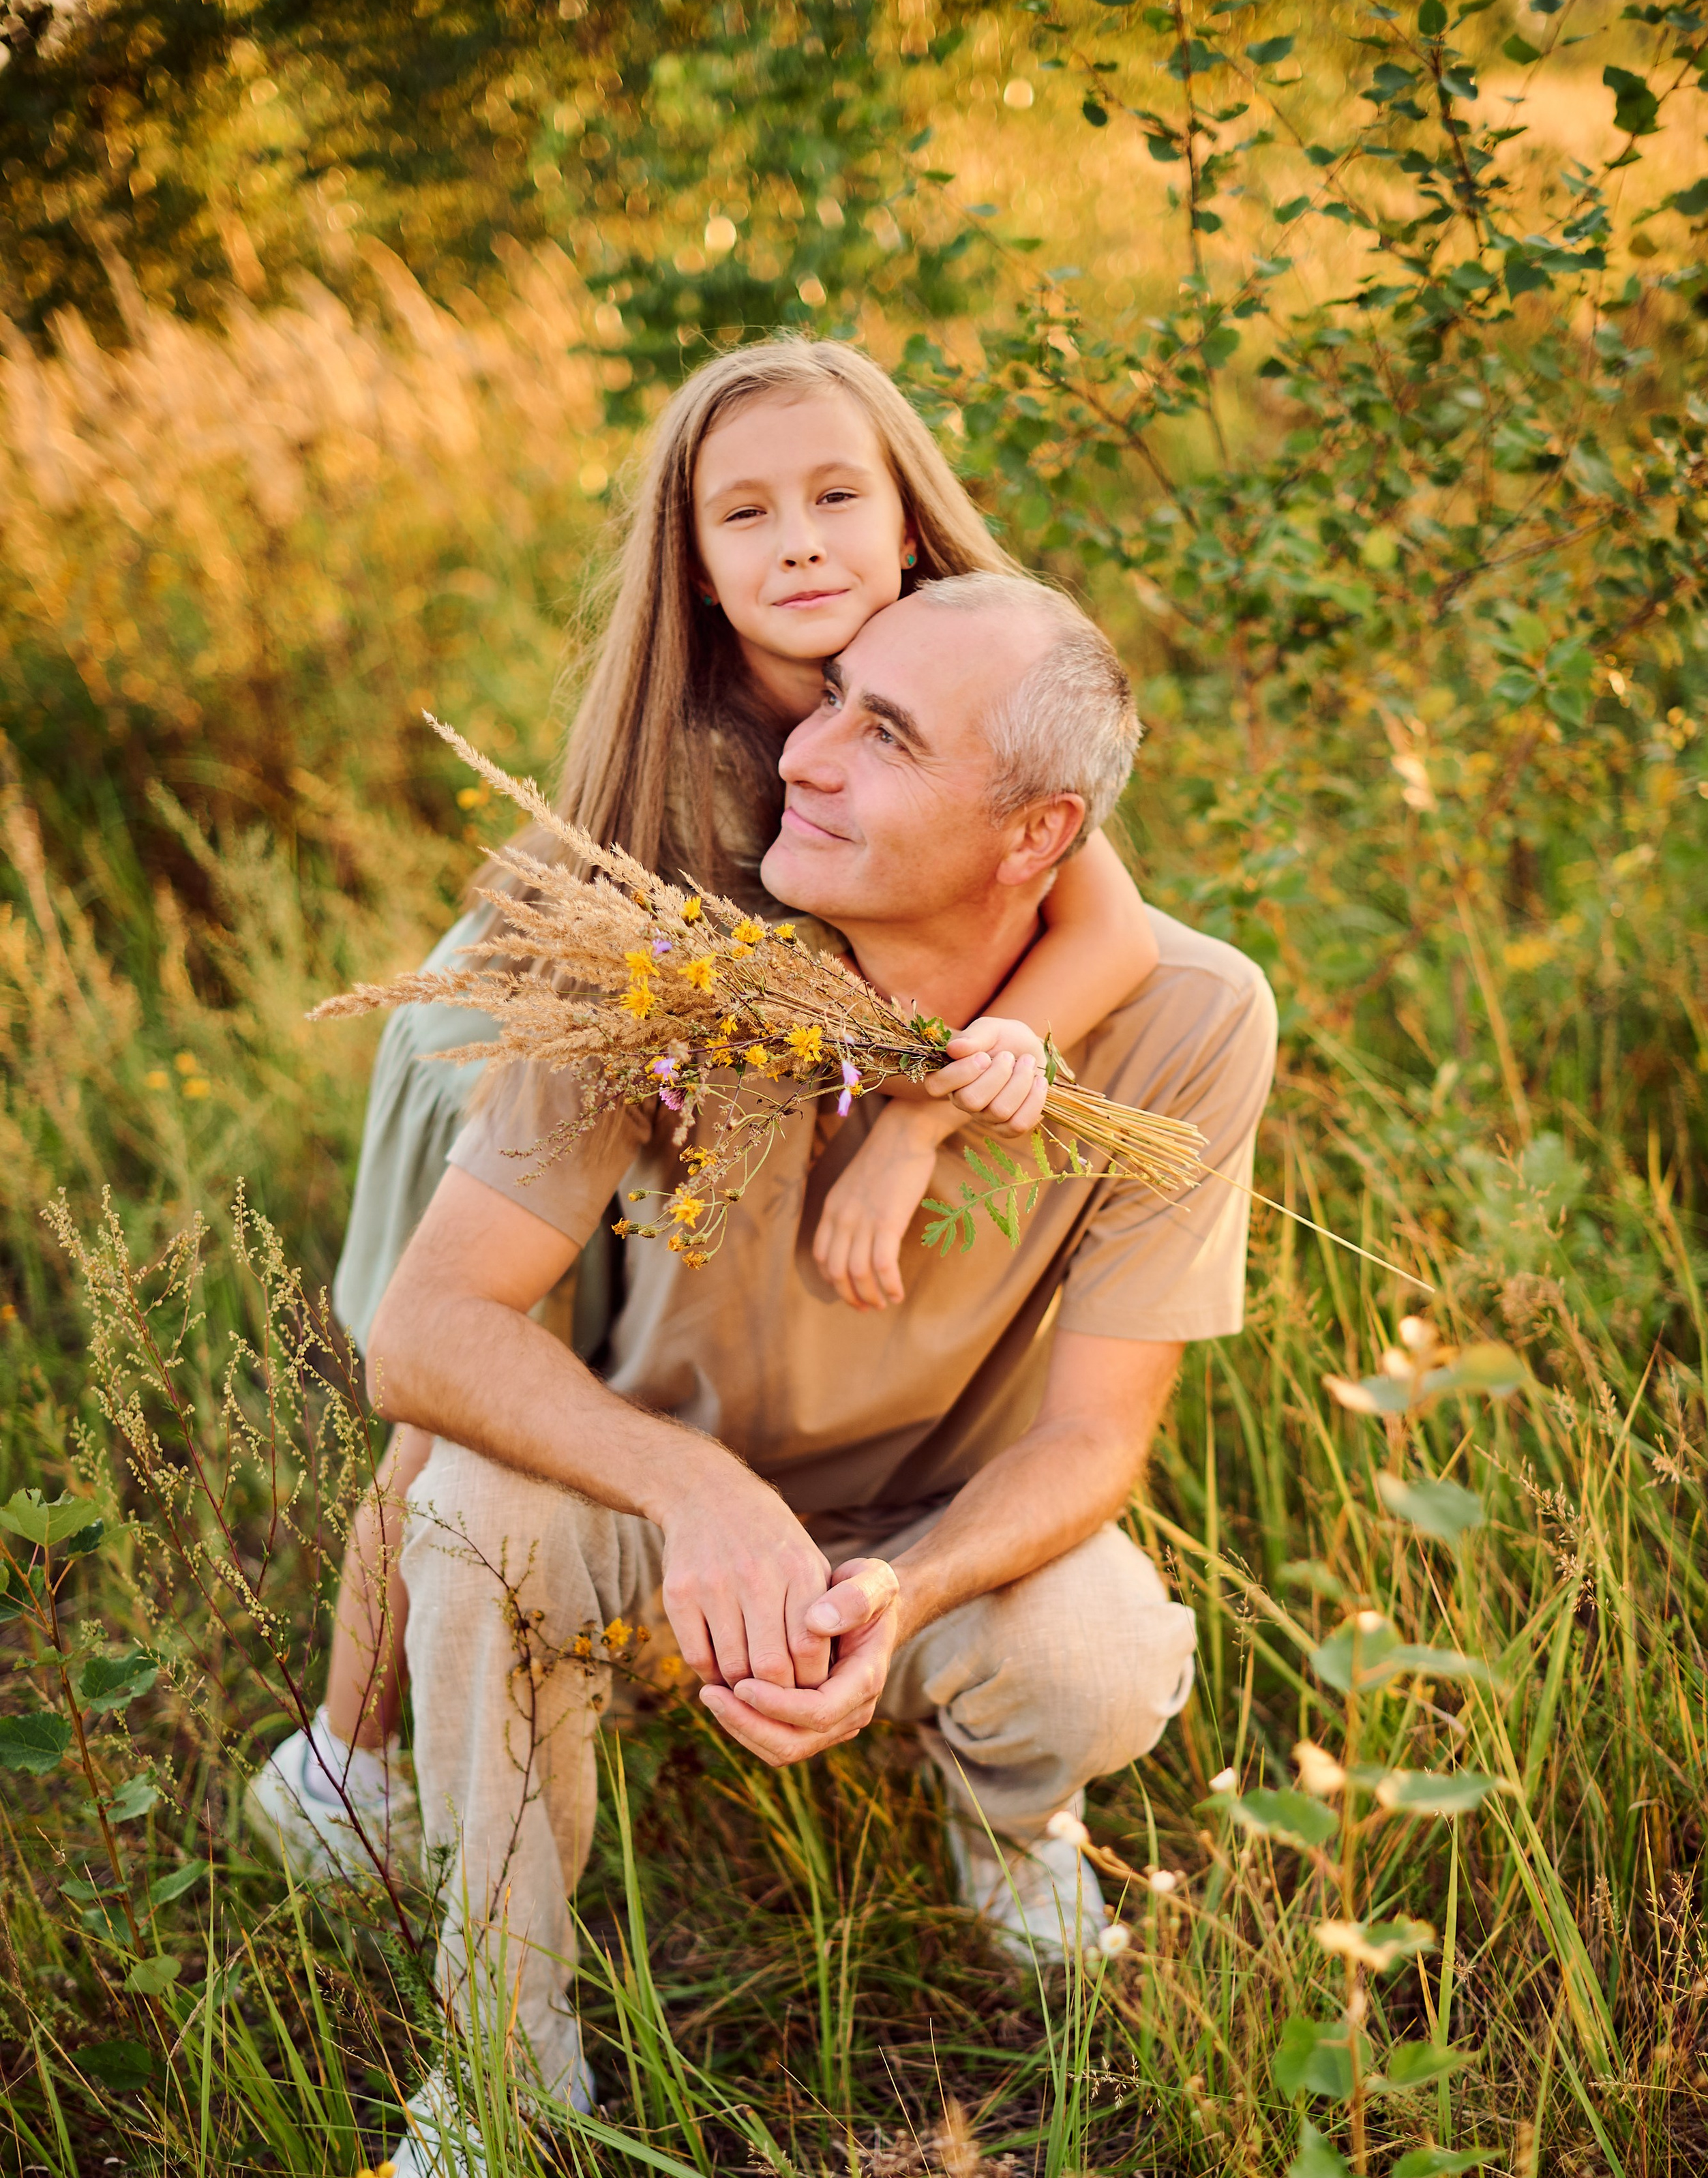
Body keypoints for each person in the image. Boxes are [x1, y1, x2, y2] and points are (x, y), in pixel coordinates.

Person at [363, 570, 1276, 2178]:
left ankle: (1009, 1827)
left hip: (924, 1541)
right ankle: (501, 2059)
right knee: (470, 1513)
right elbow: (424, 1332)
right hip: (655, 1539)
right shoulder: (657, 972)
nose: (806, 752)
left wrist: (905, 1594)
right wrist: (694, 1490)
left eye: (887, 734)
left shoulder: (1186, 1020)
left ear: (1035, 835)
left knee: (1096, 1653)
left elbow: (1096, 1442)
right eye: (830, 696)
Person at [244, 339, 1163, 1888]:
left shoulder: (960, 682)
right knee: (460, 1401)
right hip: (541, 1034)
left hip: (734, 1084)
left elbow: (1110, 928)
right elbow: (666, 1004)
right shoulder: (679, 754)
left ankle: (950, 1737)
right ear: (694, 561)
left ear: (908, 520)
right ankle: (347, 1759)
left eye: (834, 496)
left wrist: (924, 1120)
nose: (798, 542)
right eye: (745, 515)